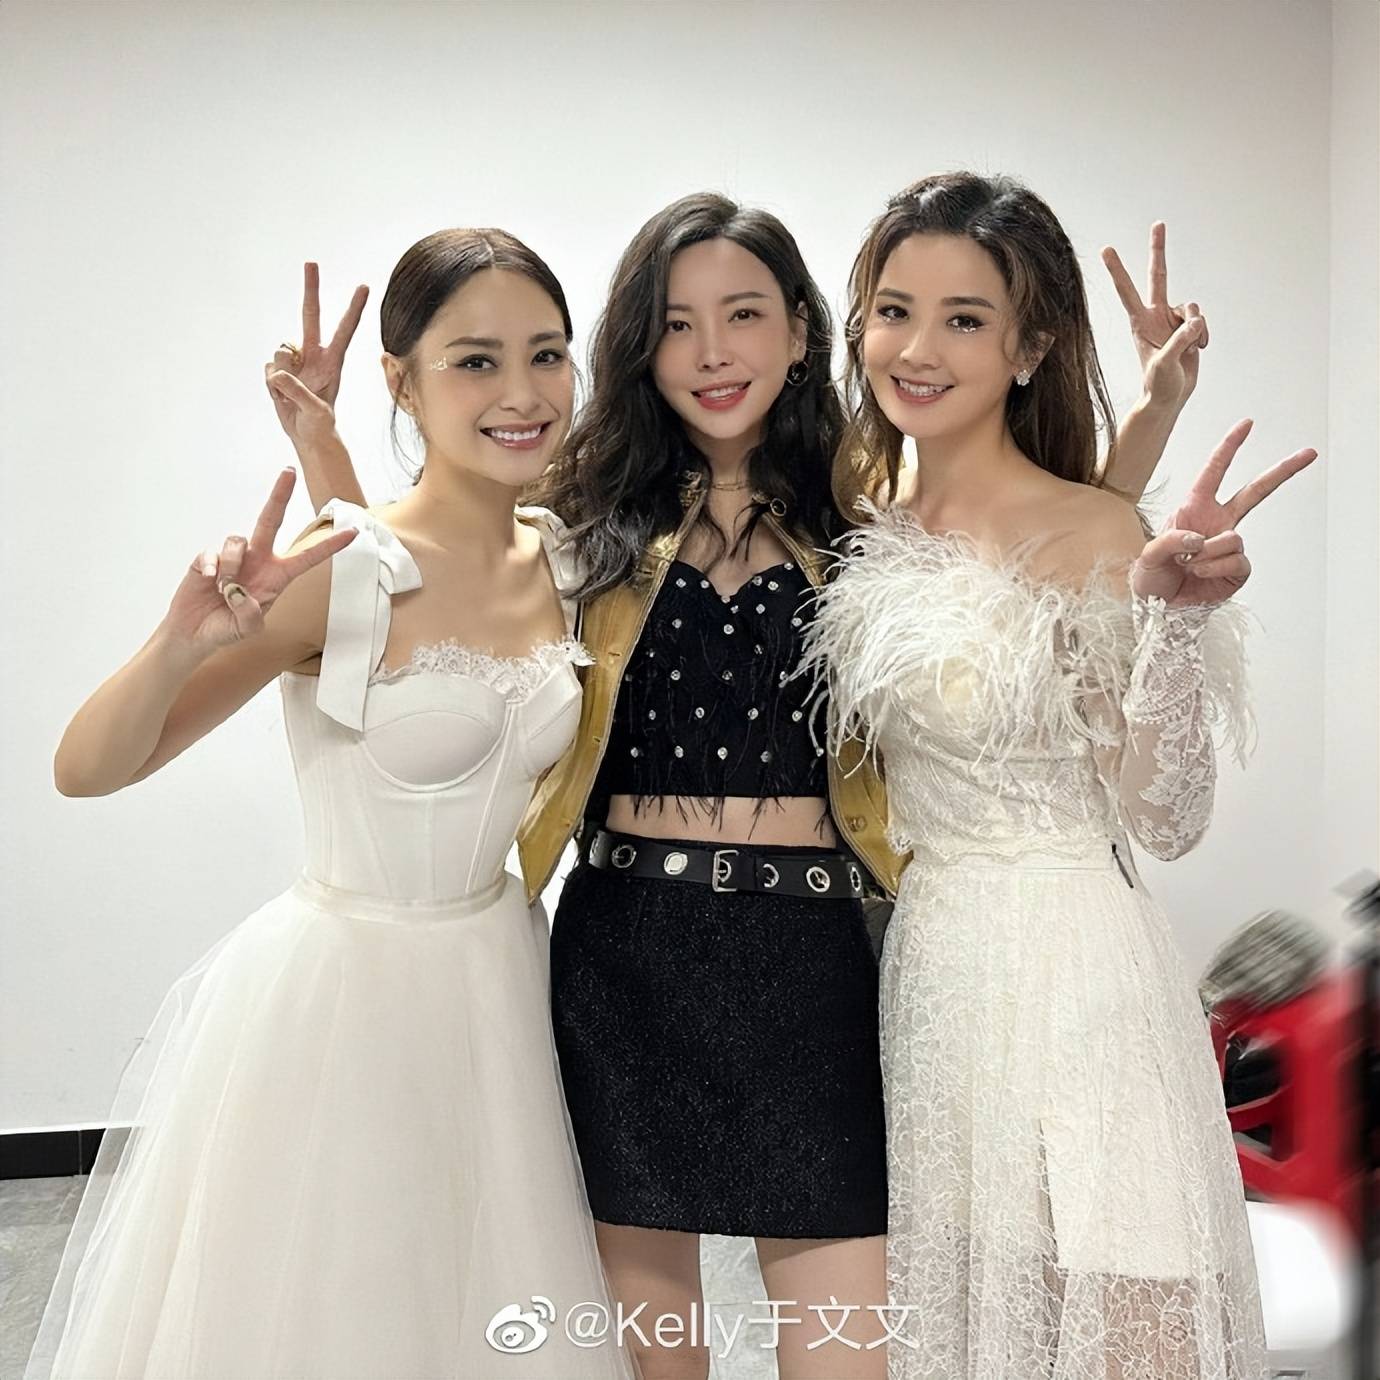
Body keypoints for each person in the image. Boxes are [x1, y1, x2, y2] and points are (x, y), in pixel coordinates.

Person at [283, 193, 1202, 1380]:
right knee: (653, 1361)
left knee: (847, 1357)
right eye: (677, 324)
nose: (712, 352)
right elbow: (422, 553)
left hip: (812, 962)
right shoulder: (585, 517)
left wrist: (1151, 430)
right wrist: (323, 454)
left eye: (746, 315)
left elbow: (1023, 545)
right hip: (626, 955)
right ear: (640, 345)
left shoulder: (867, 512)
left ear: (804, 331)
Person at [28, 229, 633, 1380]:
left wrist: (323, 444)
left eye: (547, 354)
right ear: (401, 378)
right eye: (476, 360)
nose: (522, 392)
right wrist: (175, 643)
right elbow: (87, 768)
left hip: (502, 986)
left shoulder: (562, 556)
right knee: (348, 1306)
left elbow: (426, 572)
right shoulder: (334, 567)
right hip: (346, 1001)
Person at [801, 170, 1315, 1378]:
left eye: (965, 319)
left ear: (1029, 347)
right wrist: (1153, 414)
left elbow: (1164, 816)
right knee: (982, 1330)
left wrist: (1174, 628)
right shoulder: (863, 514)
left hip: (1080, 970)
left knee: (1134, 1330)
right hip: (934, 974)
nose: (918, 349)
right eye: (894, 311)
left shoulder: (1096, 530)